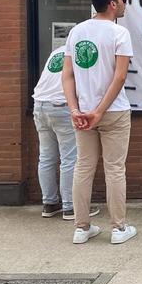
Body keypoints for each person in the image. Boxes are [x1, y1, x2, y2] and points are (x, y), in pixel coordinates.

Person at [62, 0, 137, 245]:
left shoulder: (76, 31)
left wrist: (75, 109)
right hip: (113, 111)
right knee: (114, 169)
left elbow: (67, 75)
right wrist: (100, 111)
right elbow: (120, 77)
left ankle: (81, 227)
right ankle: (118, 228)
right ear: (112, 4)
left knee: (83, 167)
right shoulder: (119, 33)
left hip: (83, 112)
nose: (125, 3)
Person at [33, 45, 100, 221]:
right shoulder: (82, 52)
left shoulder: (57, 51)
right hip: (61, 106)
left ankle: (49, 203)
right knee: (69, 159)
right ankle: (70, 207)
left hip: (40, 105)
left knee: (46, 157)